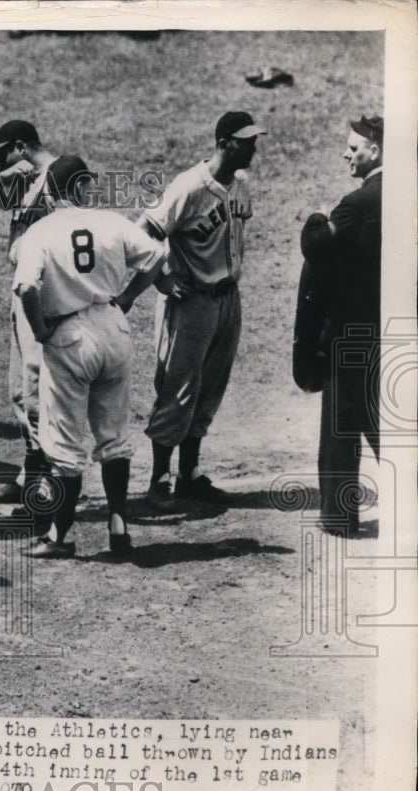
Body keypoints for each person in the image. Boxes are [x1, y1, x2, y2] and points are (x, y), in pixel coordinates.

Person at [13, 155, 166, 558]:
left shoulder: (40, 231)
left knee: (64, 442)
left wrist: (40, 331)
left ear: (51, 193)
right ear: (82, 187)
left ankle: (60, 537)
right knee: (114, 436)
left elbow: (26, 287)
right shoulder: (112, 221)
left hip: (69, 337)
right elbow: (156, 257)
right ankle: (119, 529)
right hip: (114, 328)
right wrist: (128, 297)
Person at [123, 111, 266, 512]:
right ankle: (159, 482)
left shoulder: (239, 184)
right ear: (222, 143)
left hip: (228, 300)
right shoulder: (188, 187)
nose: (253, 147)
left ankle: (188, 476)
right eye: (244, 141)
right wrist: (161, 279)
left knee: (208, 391)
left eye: (254, 140)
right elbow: (140, 235)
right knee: (178, 391)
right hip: (191, 303)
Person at [300, 115, 382, 536]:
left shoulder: (357, 203)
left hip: (352, 332)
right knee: (387, 421)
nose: (345, 154)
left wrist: (317, 215)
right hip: (394, 330)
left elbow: (315, 246)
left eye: (353, 148)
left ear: (375, 151)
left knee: (341, 426)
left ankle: (337, 515)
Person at [0, 119, 60, 506]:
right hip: (22, 293)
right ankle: (29, 475)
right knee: (20, 390)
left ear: (21, 147)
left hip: (45, 295)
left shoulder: (60, 177)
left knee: (38, 390)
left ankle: (48, 480)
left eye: (2, 156)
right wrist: (9, 175)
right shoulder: (24, 181)